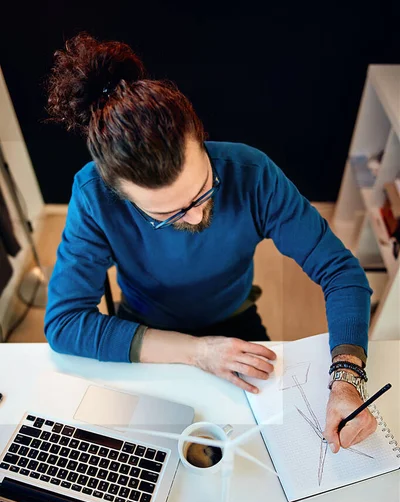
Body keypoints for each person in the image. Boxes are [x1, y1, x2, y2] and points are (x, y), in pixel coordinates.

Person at [44, 33, 376, 453]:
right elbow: (65, 323)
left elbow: (340, 272)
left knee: (269, 453)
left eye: (203, 191)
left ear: (200, 138)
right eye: (168, 215)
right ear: (121, 195)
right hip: (144, 329)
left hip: (235, 319)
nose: (197, 216)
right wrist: (196, 352)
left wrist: (346, 378)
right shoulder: (93, 195)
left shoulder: (252, 173)